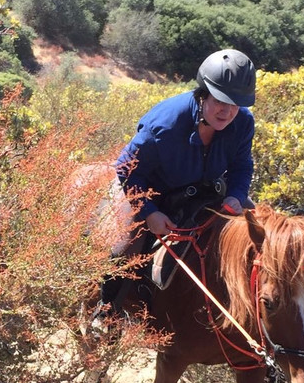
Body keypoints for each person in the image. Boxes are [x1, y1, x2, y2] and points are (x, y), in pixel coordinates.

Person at [97, 48, 257, 319]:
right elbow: (126, 168)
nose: (227, 110)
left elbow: (242, 166)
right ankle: (106, 312)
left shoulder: (243, 122)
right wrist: (149, 213)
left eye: (236, 103)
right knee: (125, 247)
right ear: (204, 92)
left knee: (257, 231)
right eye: (220, 100)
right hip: (150, 190)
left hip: (203, 189)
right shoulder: (166, 124)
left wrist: (237, 195)